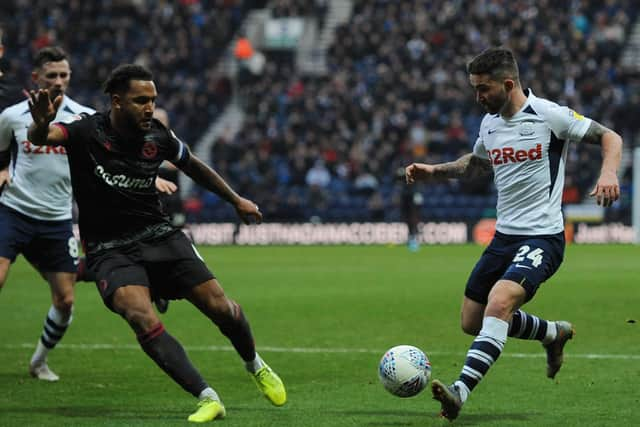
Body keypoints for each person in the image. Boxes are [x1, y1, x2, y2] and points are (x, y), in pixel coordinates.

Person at [27, 64, 286, 422]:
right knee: (139, 315)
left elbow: (194, 165)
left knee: (220, 308)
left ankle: (254, 364)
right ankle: (207, 397)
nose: (149, 107)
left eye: (152, 100)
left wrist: (236, 200)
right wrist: (40, 123)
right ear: (117, 102)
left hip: (159, 235)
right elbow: (43, 138)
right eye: (140, 100)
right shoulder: (86, 132)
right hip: (110, 249)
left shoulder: (158, 137)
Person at [405, 47, 622, 420]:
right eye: (475, 89)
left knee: (500, 302)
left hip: (543, 237)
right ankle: (553, 333)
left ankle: (459, 392)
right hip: (504, 238)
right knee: (471, 322)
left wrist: (608, 173)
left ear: (509, 84)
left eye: (484, 89)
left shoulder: (548, 115)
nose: (478, 97)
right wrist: (435, 171)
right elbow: (476, 164)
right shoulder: (489, 124)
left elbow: (611, 138)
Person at [0, 46, 95, 381]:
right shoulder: (13, 116)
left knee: (66, 300)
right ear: (36, 78)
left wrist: (151, 177)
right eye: (51, 75)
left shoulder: (83, 117)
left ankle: (38, 361)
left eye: (63, 75)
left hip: (56, 219)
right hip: (13, 210)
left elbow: (106, 157)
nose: (58, 81)